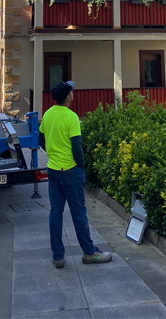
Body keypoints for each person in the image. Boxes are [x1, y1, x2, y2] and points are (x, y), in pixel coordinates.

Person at [39, 80, 112, 268]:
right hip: (70, 170)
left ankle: (58, 256)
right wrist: (81, 166)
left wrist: (52, 152)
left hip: (53, 169)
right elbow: (76, 147)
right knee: (78, 212)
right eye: (71, 90)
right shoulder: (71, 117)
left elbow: (40, 139)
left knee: (56, 212)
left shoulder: (47, 114)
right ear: (68, 96)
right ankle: (89, 252)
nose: (73, 92)